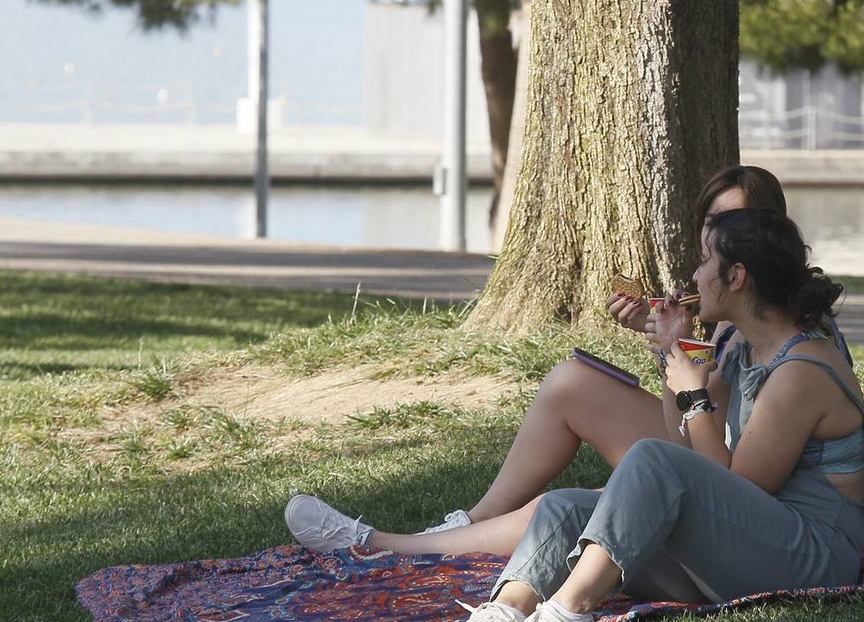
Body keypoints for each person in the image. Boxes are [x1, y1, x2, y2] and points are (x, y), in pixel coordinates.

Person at [422, 208, 864, 622]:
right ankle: (508, 610)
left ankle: (569, 612)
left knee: (650, 457)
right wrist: (673, 357)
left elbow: (739, 484)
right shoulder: (747, 349)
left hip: (811, 559)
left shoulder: (800, 370)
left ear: (737, 277)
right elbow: (684, 441)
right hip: (754, 544)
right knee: (566, 506)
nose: (694, 275)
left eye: (706, 259)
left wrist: (694, 393)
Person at [285, 167, 800, 558]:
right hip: (715, 455)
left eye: (733, 228)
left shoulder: (797, 349)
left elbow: (724, 449)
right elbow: (698, 418)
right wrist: (671, 346)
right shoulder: (738, 326)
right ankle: (467, 522)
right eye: (712, 226)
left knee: (565, 506)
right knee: (571, 382)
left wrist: (686, 372)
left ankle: (382, 546)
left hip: (738, 488)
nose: (712, 245)